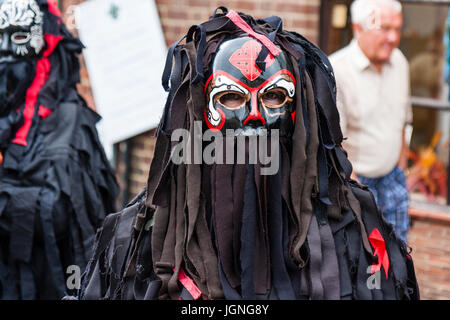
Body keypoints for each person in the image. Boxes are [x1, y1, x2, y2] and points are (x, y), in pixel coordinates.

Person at [76, 7, 419, 300]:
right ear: (203, 114)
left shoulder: (349, 229)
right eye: (232, 98)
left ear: (296, 112)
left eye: (273, 97)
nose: (254, 115)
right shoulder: (143, 234)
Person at [0, 0, 118, 299]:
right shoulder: (7, 114)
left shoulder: (70, 119)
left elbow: (64, 215)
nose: (5, 51)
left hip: (52, 282)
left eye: (17, 38)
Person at [329, 0, 412, 244]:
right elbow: (334, 147)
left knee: (399, 259)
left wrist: (400, 169)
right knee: (365, 268)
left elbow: (404, 122)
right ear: (358, 28)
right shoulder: (337, 71)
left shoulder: (400, 63)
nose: (393, 37)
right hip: (356, 186)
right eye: (384, 28)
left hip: (393, 180)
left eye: (397, 29)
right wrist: (357, 197)